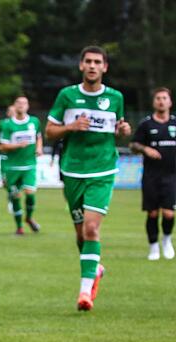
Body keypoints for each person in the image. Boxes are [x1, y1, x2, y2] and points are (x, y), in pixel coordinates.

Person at [45, 45, 131, 311]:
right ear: (81, 65)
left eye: (98, 62)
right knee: (81, 235)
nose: (93, 66)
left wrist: (123, 131)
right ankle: (95, 268)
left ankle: (84, 293)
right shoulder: (67, 95)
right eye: (89, 61)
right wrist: (70, 127)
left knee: (92, 229)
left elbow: (119, 129)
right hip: (73, 170)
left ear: (105, 67)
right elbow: (49, 131)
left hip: (102, 170)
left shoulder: (115, 97)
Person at [129, 87, 176, 260]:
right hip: (151, 176)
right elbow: (133, 145)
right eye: (158, 98)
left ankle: (167, 240)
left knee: (169, 213)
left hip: (172, 176)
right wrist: (145, 149)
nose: (161, 101)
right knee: (153, 213)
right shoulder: (146, 124)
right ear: (154, 102)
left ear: (170, 102)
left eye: (164, 98)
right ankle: (153, 246)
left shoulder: (175, 123)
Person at [0, 95, 43, 234]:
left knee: (30, 194)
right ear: (14, 106)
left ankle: (28, 218)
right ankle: (19, 227)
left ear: (28, 106)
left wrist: (39, 148)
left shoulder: (34, 121)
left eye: (24, 103)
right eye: (18, 103)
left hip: (29, 165)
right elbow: (2, 146)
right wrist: (17, 145)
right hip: (12, 167)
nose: (21, 105)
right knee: (15, 197)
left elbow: (38, 137)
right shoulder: (7, 125)